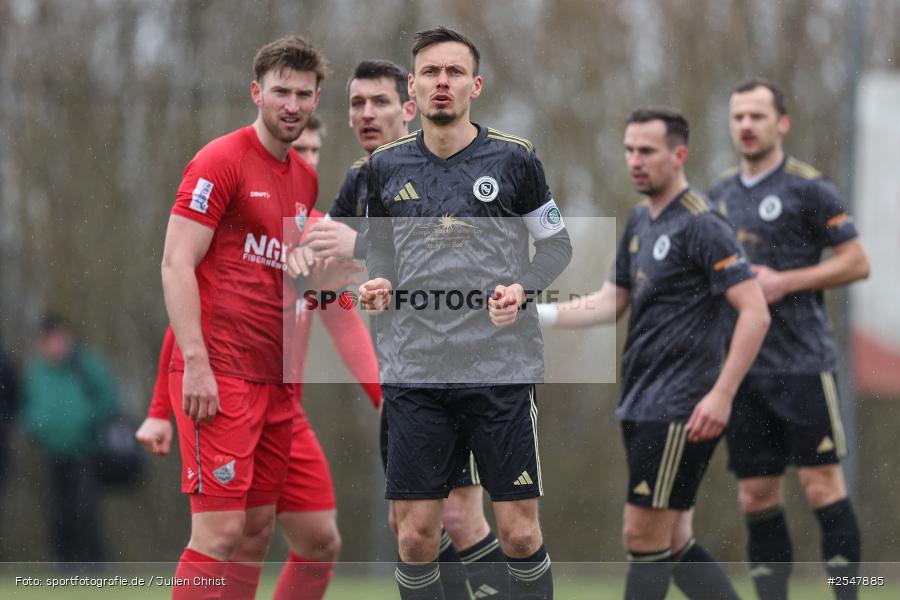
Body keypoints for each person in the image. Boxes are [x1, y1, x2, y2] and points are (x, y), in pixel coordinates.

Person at [355, 27, 572, 600]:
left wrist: (522, 290)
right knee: (416, 538)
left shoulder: (515, 159)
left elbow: (556, 246)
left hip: (501, 371)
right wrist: (380, 282)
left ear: (475, 86)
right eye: (431, 72)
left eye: (454, 72)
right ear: (413, 86)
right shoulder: (385, 166)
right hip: (417, 373)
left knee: (519, 534)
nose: (442, 82)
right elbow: (380, 252)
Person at [537, 108, 770, 599]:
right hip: (643, 401)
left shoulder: (703, 224)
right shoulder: (642, 219)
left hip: (679, 406)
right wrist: (538, 314)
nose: (635, 161)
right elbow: (612, 300)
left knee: (642, 536)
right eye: (629, 150)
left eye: (647, 151)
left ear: (679, 155)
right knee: (674, 539)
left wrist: (722, 394)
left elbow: (755, 312)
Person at [305, 59, 506, 599]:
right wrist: (304, 257)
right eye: (357, 103)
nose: (367, 113)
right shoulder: (360, 179)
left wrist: (358, 246)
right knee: (410, 529)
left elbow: (450, 264)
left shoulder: (441, 168)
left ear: (409, 108)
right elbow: (327, 266)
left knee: (459, 518)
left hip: (461, 369)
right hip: (404, 375)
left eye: (381, 102)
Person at [159, 35, 326, 599]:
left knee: (255, 533)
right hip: (220, 375)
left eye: (303, 94)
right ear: (256, 92)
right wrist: (196, 363)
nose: (292, 105)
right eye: (281, 91)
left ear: (316, 100)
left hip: (274, 384)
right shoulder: (220, 161)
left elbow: (284, 275)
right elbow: (176, 263)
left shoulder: (305, 178)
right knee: (220, 531)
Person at [708, 79, 870, 600]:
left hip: (802, 364)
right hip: (743, 369)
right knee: (756, 496)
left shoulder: (810, 188)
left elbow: (857, 263)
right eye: (738, 116)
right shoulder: (717, 194)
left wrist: (785, 281)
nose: (746, 125)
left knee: (821, 487)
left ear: (782, 123)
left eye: (757, 116)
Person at [19, 314, 118, 564]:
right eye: (47, 340)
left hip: (84, 452)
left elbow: (108, 399)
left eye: (56, 338)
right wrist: (35, 426)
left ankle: (95, 565)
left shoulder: (85, 365)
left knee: (86, 511)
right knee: (57, 513)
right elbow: (27, 406)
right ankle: (64, 565)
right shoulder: (37, 372)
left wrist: (86, 422)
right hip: (51, 453)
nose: (53, 345)